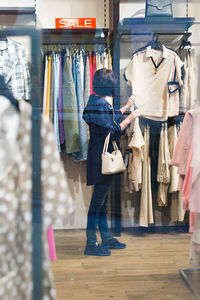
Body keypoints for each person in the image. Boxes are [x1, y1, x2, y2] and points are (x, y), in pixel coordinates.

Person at [82, 68, 140, 256]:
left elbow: (108, 119)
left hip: (99, 156)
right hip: (102, 159)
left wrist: (125, 107)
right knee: (97, 203)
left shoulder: (95, 101)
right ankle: (91, 243)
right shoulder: (99, 104)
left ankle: (105, 238)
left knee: (102, 202)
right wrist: (131, 117)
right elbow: (113, 130)